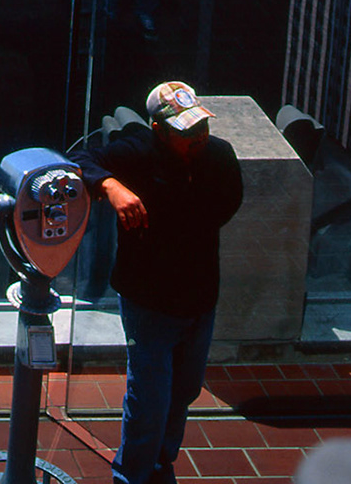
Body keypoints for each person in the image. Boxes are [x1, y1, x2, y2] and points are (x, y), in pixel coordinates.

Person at [72, 81, 245, 484]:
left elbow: (226, 204)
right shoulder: (136, 153)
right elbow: (77, 159)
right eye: (185, 133)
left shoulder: (218, 155)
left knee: (184, 390)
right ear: (158, 129)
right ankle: (132, 474)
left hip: (199, 297)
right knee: (150, 396)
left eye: (199, 128)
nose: (197, 138)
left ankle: (160, 462)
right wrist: (111, 187)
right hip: (149, 300)